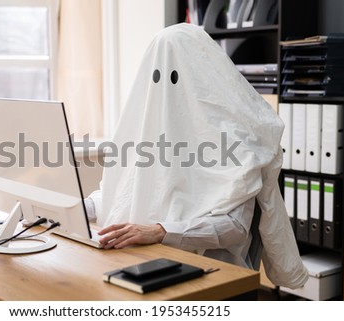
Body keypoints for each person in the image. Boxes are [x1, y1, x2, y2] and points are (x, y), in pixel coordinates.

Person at [85, 23, 308, 289]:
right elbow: (123, 191)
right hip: (144, 261)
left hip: (209, 271)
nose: (165, 88)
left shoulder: (236, 137)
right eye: (156, 75)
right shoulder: (152, 130)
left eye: (175, 76)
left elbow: (234, 226)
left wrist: (160, 231)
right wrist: (79, 207)